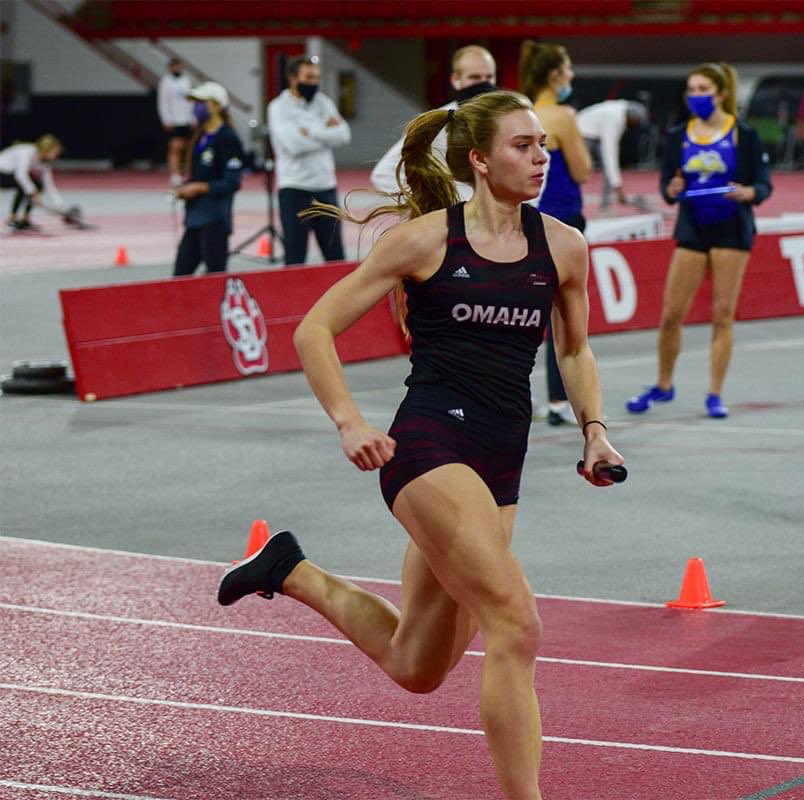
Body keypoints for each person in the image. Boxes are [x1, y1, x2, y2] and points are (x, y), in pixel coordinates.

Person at [217, 89, 624, 800]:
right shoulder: (426, 239)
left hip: (502, 458)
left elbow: (576, 350)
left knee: (417, 665)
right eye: (522, 145)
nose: (539, 156)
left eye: (543, 145)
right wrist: (350, 420)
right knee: (516, 625)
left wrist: (595, 431)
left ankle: (293, 571)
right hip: (430, 444)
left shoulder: (563, 245)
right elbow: (314, 329)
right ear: (478, 159)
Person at [626, 62, 771, 419]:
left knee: (722, 315)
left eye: (704, 89)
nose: (697, 96)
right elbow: (667, 186)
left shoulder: (744, 134)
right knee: (671, 314)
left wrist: (748, 192)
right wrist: (671, 190)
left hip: (731, 228)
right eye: (692, 90)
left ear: (721, 93)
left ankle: (715, 393)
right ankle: (663, 385)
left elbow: (764, 185)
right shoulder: (679, 135)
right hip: (692, 227)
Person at [519, 40, 592, 426]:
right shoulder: (560, 116)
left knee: (521, 311)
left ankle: (519, 395)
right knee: (564, 315)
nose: (572, 77)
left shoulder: (521, 111)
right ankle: (560, 401)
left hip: (527, 219)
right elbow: (582, 170)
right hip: (562, 219)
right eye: (568, 70)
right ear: (554, 75)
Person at [370, 44, 497, 200]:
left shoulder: (506, 120)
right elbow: (384, 174)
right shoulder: (438, 121)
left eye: (489, 77)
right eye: (475, 78)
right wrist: (431, 205)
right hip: (455, 218)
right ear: (456, 80)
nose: (483, 84)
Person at [267, 55, 351, 266]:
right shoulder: (278, 107)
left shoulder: (323, 102)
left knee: (335, 256)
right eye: (308, 77)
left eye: (317, 77)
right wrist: (325, 132)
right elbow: (293, 145)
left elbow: (344, 135)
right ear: (293, 79)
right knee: (295, 256)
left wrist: (310, 132)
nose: (314, 82)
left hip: (325, 186)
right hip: (295, 188)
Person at [172, 82, 244, 277]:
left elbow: (232, 182)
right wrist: (185, 188)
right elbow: (199, 175)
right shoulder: (201, 137)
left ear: (216, 105)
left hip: (215, 219)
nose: (196, 107)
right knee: (180, 275)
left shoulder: (227, 138)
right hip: (195, 217)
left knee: (215, 277)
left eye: (201, 102)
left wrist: (201, 188)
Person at [576, 99, 648, 209]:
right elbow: (610, 155)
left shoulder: (624, 108)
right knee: (578, 169)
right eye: (635, 123)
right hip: (582, 132)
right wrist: (618, 188)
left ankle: (605, 206)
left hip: (597, 134)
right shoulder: (615, 121)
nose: (634, 127)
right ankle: (572, 203)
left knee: (608, 172)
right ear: (631, 118)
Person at [157, 58, 194, 188]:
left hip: (186, 119)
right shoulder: (166, 82)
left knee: (189, 147)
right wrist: (166, 119)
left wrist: (193, 117)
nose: (176, 68)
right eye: (174, 66)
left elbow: (191, 100)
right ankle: (175, 174)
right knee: (175, 147)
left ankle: (189, 172)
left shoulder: (186, 81)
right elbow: (163, 102)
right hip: (174, 119)